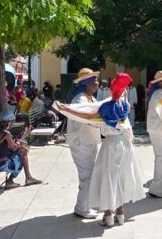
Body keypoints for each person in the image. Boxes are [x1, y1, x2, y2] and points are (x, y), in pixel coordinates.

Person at [58, 73, 145, 227]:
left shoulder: (105, 106)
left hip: (111, 144)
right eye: (94, 82)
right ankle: (119, 213)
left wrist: (67, 110)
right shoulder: (124, 105)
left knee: (107, 179)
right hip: (123, 144)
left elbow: (90, 116)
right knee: (119, 177)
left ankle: (108, 216)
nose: (98, 84)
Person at [66, 68, 101, 219]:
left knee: (90, 174)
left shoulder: (91, 98)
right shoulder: (80, 99)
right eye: (94, 82)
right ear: (86, 83)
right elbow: (89, 118)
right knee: (87, 175)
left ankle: (85, 204)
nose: (97, 84)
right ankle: (81, 207)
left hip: (90, 141)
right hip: (81, 143)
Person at [0, 109, 42, 189]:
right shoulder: (6, 133)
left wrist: (16, 142)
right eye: (13, 121)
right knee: (23, 153)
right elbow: (14, 148)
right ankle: (19, 180)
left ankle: (27, 178)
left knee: (21, 150)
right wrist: (22, 138)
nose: (13, 123)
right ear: (10, 121)